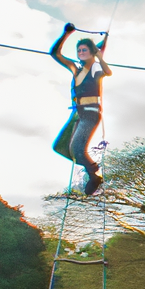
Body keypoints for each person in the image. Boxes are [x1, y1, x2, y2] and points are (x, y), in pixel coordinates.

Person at [49, 23, 112, 196]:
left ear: (92, 53)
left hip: (91, 114)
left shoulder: (96, 69)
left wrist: (100, 52)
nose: (81, 53)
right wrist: (66, 33)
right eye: (79, 50)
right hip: (77, 114)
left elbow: (108, 71)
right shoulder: (75, 69)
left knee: (78, 150)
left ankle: (94, 175)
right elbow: (55, 53)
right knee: (60, 147)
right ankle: (89, 166)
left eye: (85, 50)